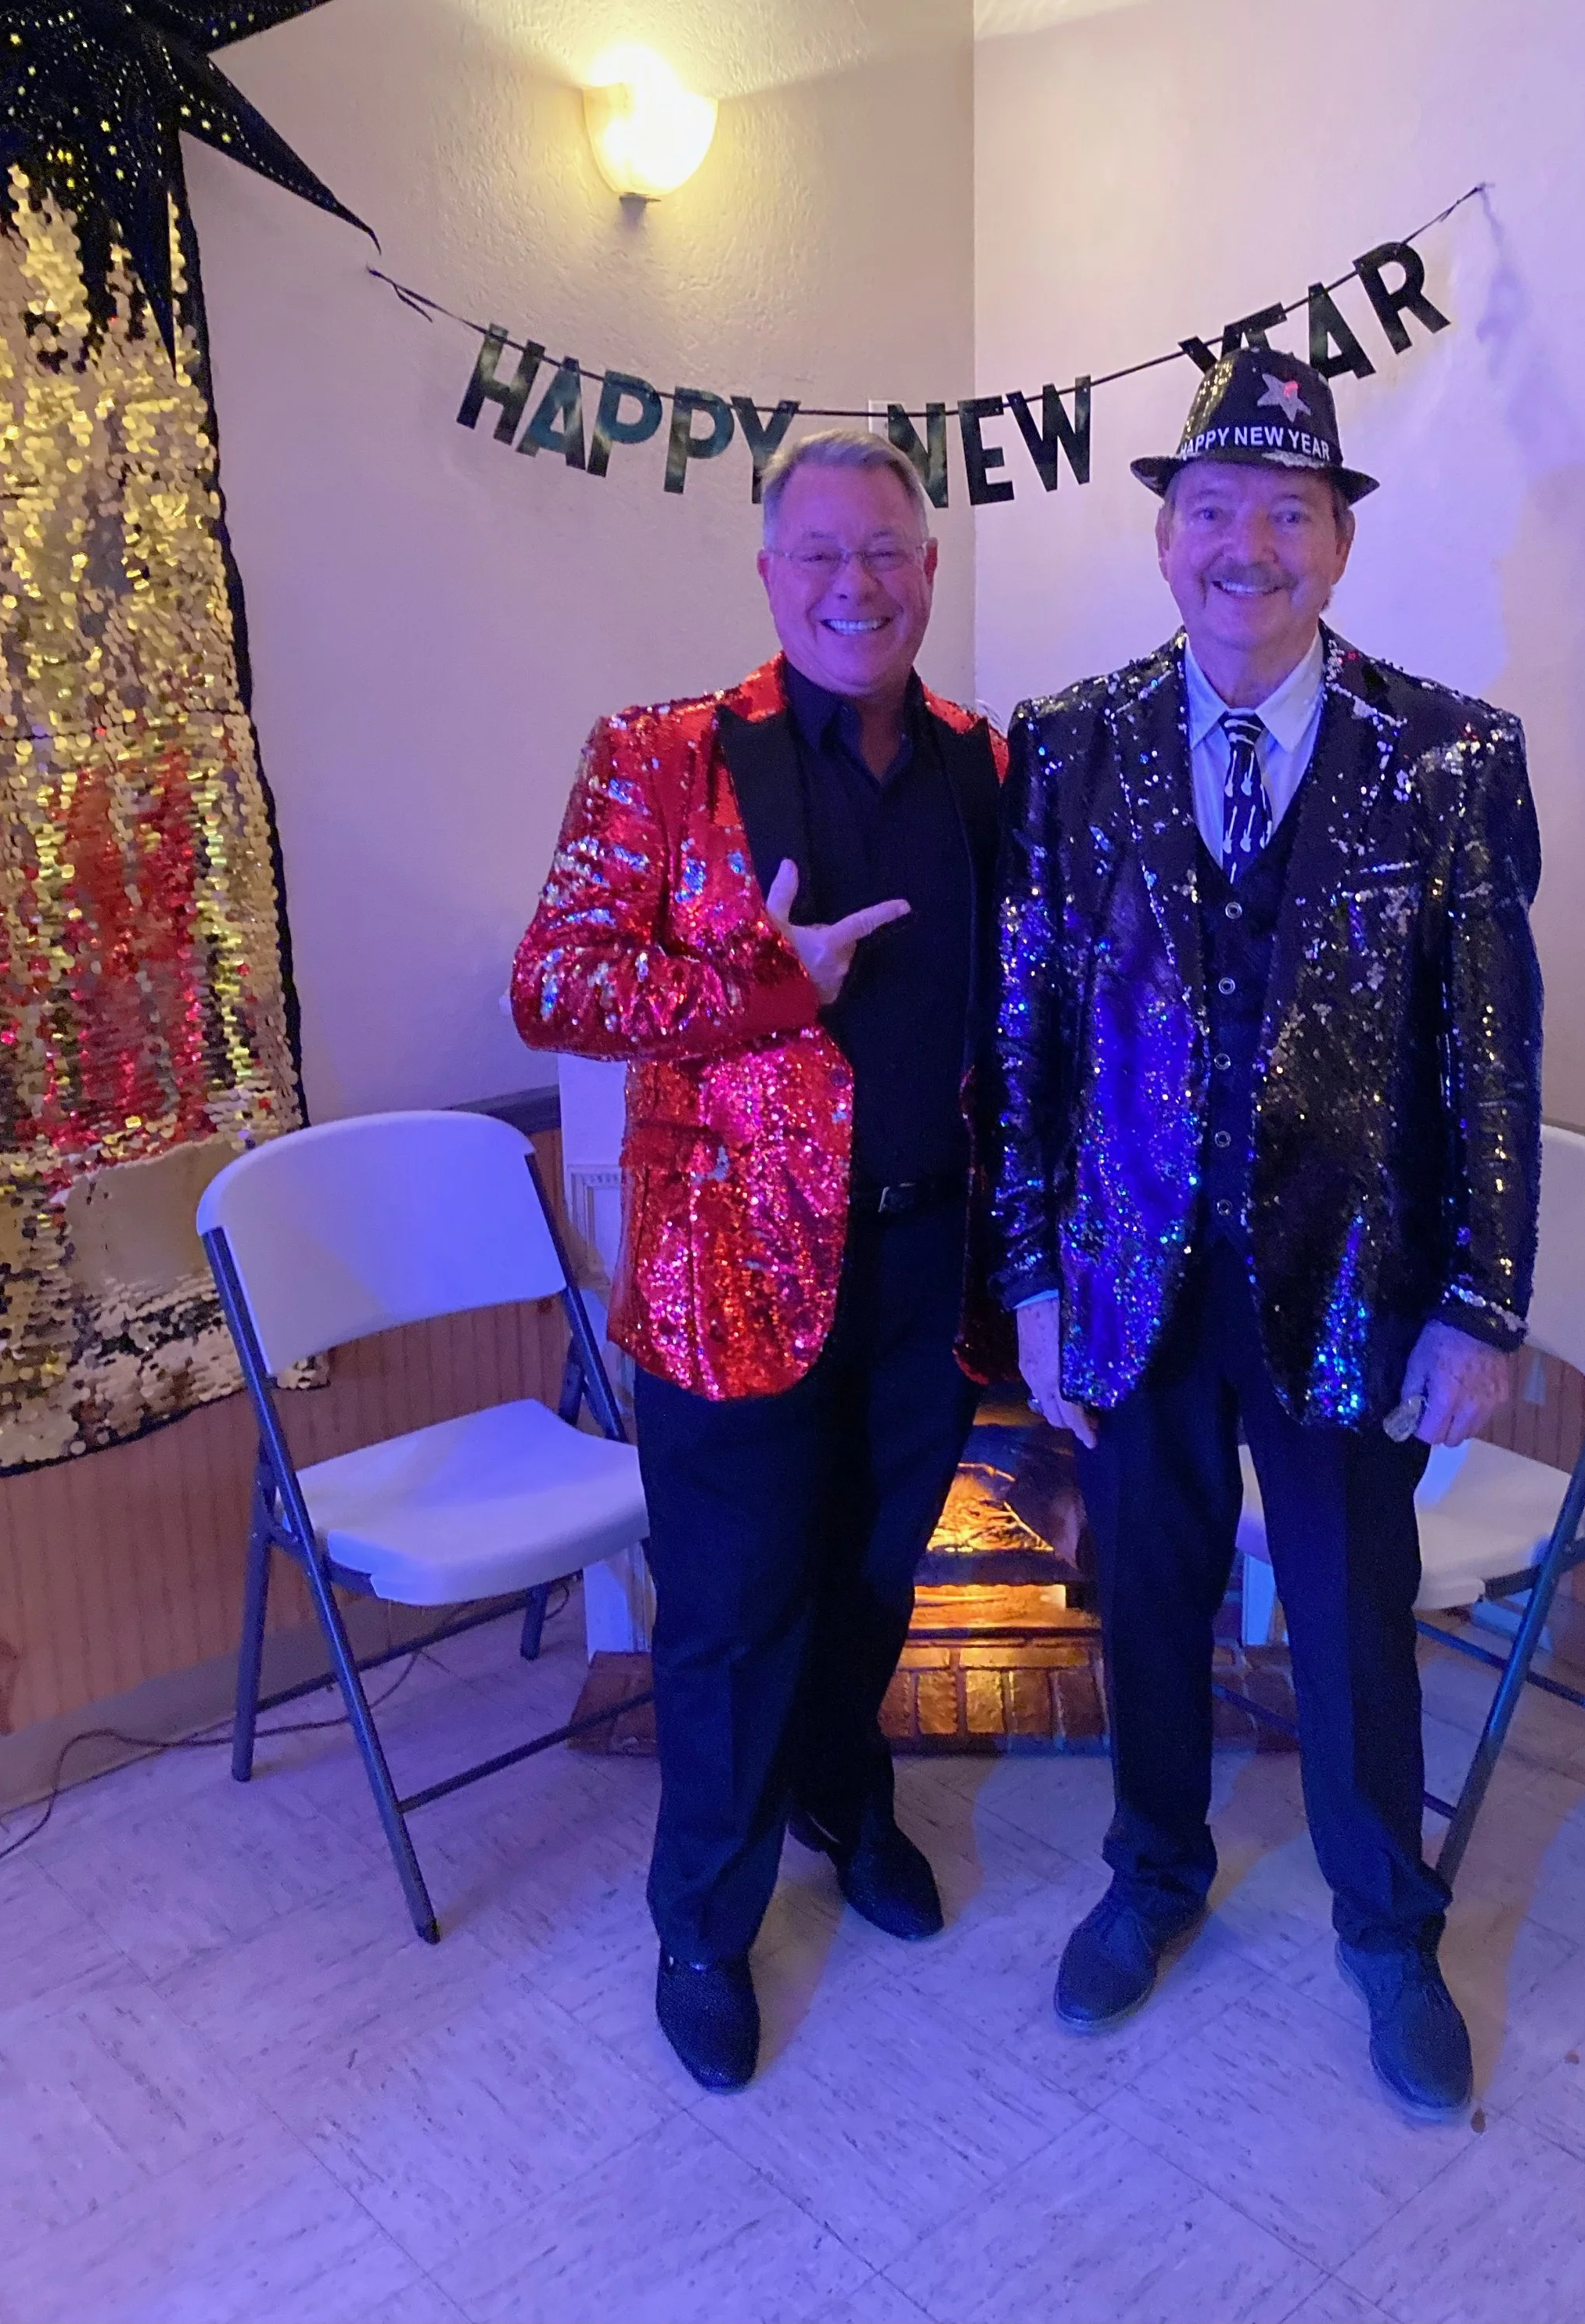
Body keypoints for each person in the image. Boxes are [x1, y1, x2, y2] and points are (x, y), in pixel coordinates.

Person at [994, 346, 1541, 2121]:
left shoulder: (1450, 758)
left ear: (1337, 549)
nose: (1248, 546)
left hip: (1351, 1294)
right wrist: (1024, 1277)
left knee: (1347, 1611)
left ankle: (1387, 1925)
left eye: (1285, 513)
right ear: (1164, 539)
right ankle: (1152, 1872)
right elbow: (1025, 1038)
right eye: (1213, 510)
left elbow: (1489, 1050)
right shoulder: (1066, 747)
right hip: (1128, 1281)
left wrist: (1478, 1298)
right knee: (1140, 1597)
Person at [512, 429, 1006, 2095]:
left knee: (873, 1587)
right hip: (723, 1278)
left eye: (884, 553)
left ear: (928, 572)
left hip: (922, 1272)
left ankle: (841, 1800)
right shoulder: (659, 758)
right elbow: (555, 986)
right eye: (819, 555)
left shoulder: (977, 767)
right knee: (726, 1616)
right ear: (768, 572)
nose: (853, 584)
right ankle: (702, 1923)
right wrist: (756, 976)